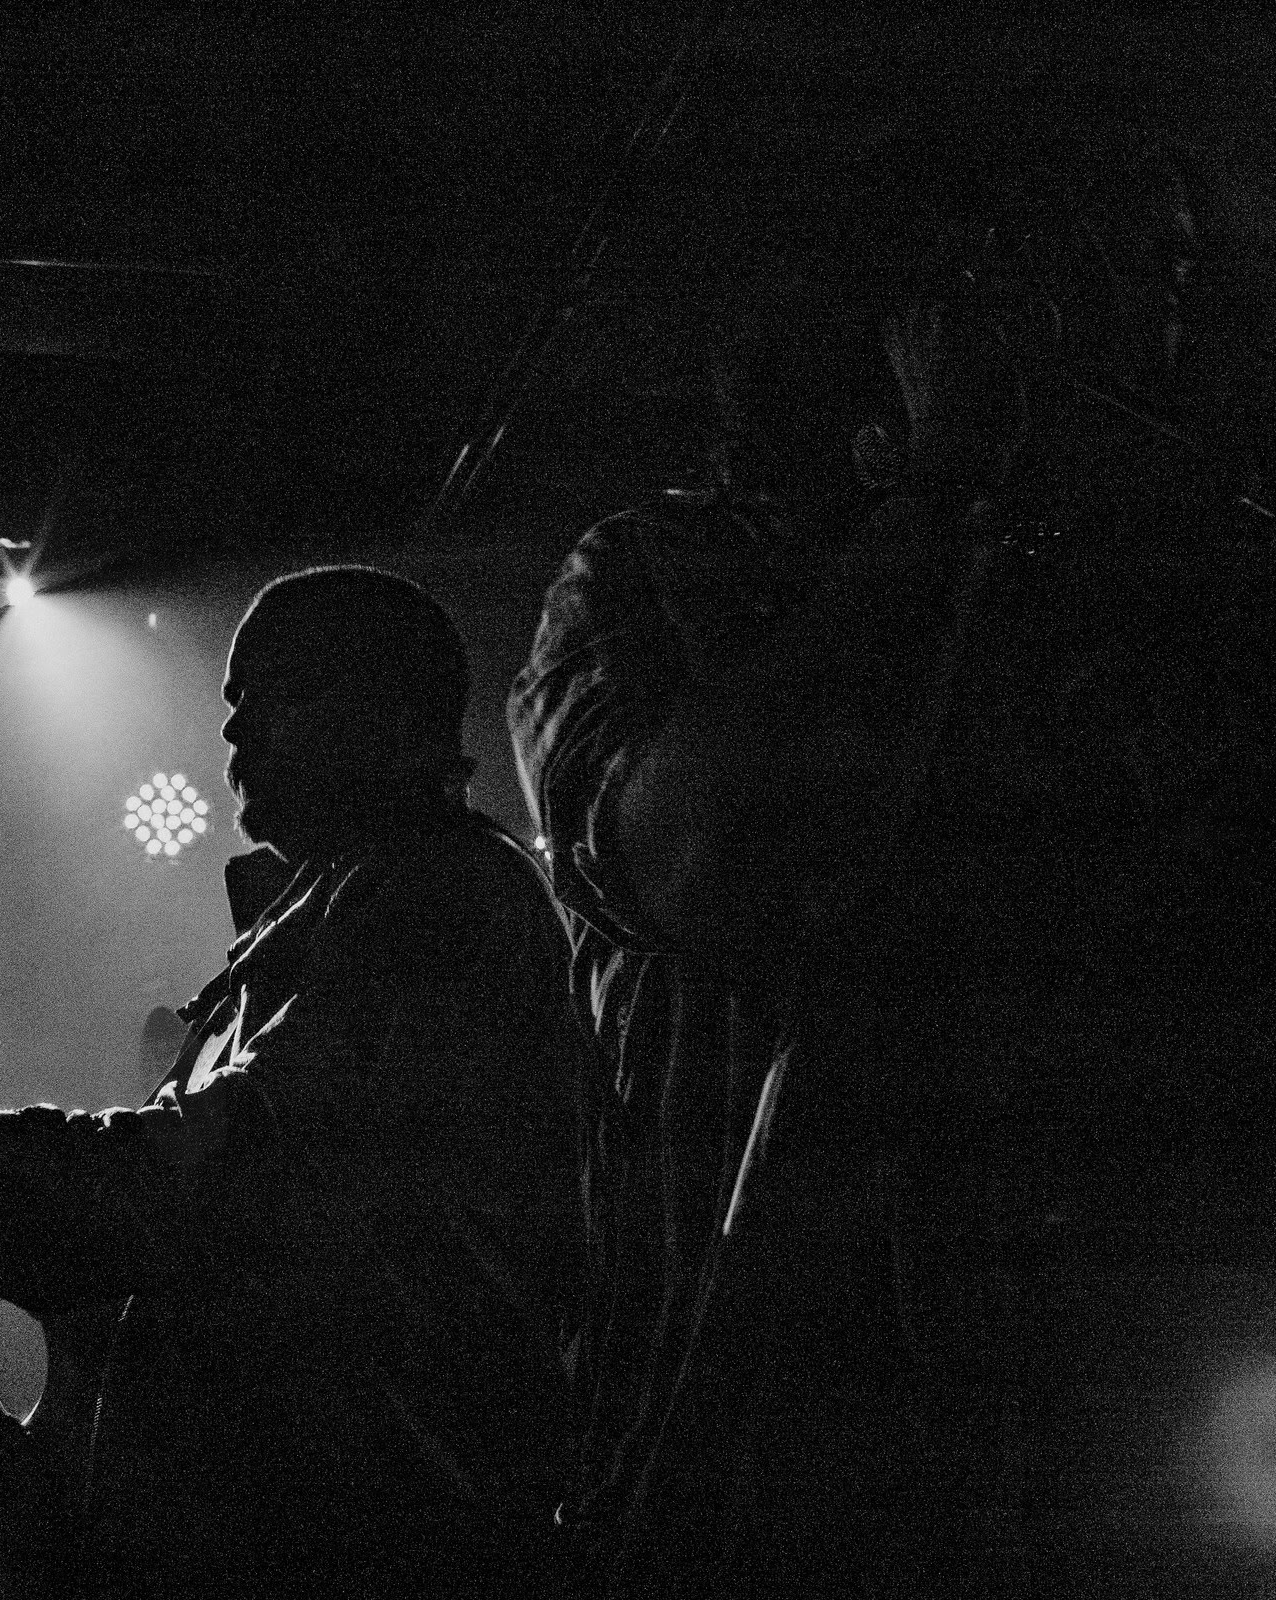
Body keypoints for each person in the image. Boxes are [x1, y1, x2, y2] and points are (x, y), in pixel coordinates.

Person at [509, 137, 1276, 1599]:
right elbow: (697, 860)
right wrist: (931, 510)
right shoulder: (644, 576)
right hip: (741, 1414)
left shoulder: (1056, 592)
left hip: (1067, 1395)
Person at [0, 566, 588, 1599]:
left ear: (390, 704)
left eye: (275, 694)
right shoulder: (299, 934)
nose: (236, 733)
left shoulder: (440, 897)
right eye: (231, 702)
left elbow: (212, 1191)